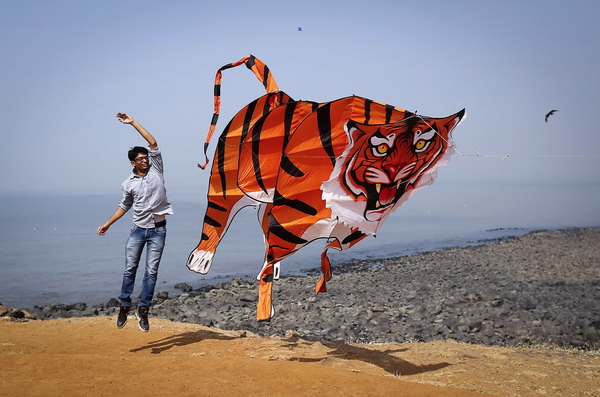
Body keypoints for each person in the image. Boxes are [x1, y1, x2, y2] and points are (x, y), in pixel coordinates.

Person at [97, 113, 173, 332]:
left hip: (158, 231)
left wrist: (133, 123)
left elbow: (153, 143)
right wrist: (108, 223)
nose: (145, 160)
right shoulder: (128, 183)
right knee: (130, 269)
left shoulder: (157, 169)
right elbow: (124, 206)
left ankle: (144, 310)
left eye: (146, 157)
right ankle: (124, 305)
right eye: (141, 159)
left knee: (151, 272)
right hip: (138, 231)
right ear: (133, 162)